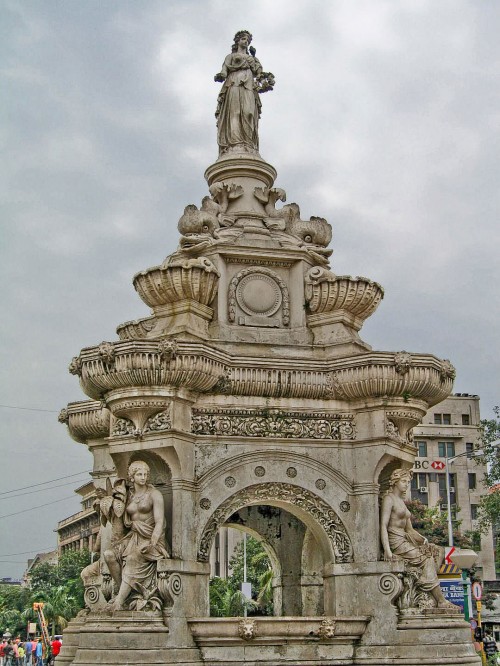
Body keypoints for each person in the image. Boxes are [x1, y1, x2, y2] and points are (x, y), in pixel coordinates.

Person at [380, 468, 457, 609]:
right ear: (395, 482)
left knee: (437, 551)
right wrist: (387, 551)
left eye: (408, 482)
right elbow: (383, 525)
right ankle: (440, 600)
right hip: (396, 541)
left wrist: (424, 540)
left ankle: (427, 589)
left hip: (405, 538)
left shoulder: (401, 501)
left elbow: (409, 530)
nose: (406, 484)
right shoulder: (388, 499)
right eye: (403, 481)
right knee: (426, 559)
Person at [104, 460, 169, 610]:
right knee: (109, 555)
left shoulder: (155, 494)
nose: (143, 477)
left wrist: (153, 541)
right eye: (139, 474)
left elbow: (159, 522)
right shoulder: (128, 496)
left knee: (133, 558)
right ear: (132, 477)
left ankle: (119, 602)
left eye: (145, 474)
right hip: (132, 537)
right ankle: (124, 595)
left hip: (151, 539)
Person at [214, 30, 274, 155]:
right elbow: (224, 71)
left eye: (247, 40)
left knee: (249, 113)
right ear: (237, 41)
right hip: (234, 83)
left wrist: (266, 82)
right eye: (243, 39)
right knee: (234, 113)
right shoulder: (230, 57)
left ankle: (249, 144)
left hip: (249, 86)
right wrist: (220, 75)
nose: (245, 42)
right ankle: (235, 145)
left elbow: (260, 75)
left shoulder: (253, 59)